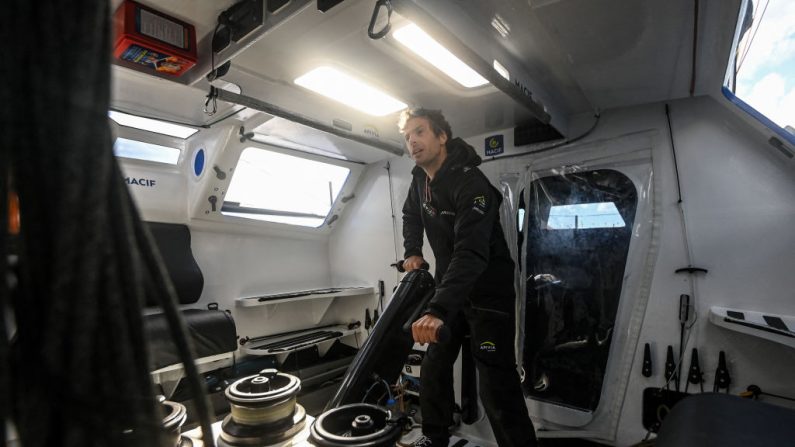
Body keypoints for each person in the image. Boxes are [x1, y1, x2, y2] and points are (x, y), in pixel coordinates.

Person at [400, 108, 537, 447]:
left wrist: (436, 310)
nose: (412, 142)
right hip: (453, 290)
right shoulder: (419, 179)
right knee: (434, 364)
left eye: (420, 132)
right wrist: (412, 251)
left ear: (441, 136)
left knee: (495, 382)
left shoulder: (471, 184)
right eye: (407, 137)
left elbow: (471, 253)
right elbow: (410, 215)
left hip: (488, 295)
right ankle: (435, 436)